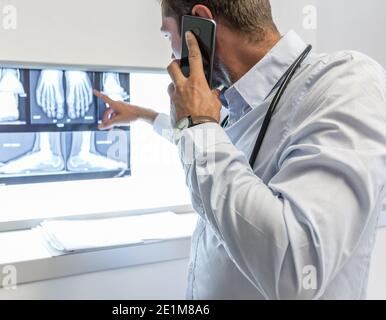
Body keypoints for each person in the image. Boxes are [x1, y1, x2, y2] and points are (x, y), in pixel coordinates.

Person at [94, 0, 386, 300]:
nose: (171, 55)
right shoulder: (236, 107)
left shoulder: (346, 84)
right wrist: (144, 115)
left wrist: (198, 123)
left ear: (199, 24)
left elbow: (296, 271)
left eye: (169, 36)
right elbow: (202, 144)